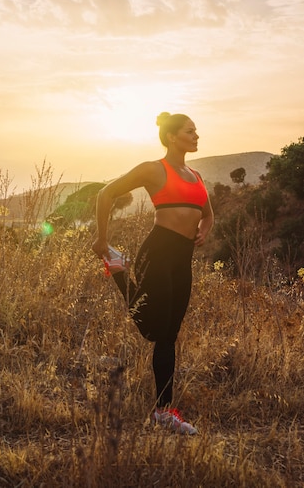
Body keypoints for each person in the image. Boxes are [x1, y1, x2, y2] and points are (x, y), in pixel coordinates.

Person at [92, 112, 214, 435]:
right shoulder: (153, 170)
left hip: (182, 261)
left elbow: (208, 214)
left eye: (196, 130)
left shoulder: (197, 176)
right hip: (158, 253)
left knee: (167, 336)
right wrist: (102, 238)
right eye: (191, 131)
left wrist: (204, 230)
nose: (197, 135)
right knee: (153, 330)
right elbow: (106, 193)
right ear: (173, 137)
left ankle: (163, 412)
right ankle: (117, 268)